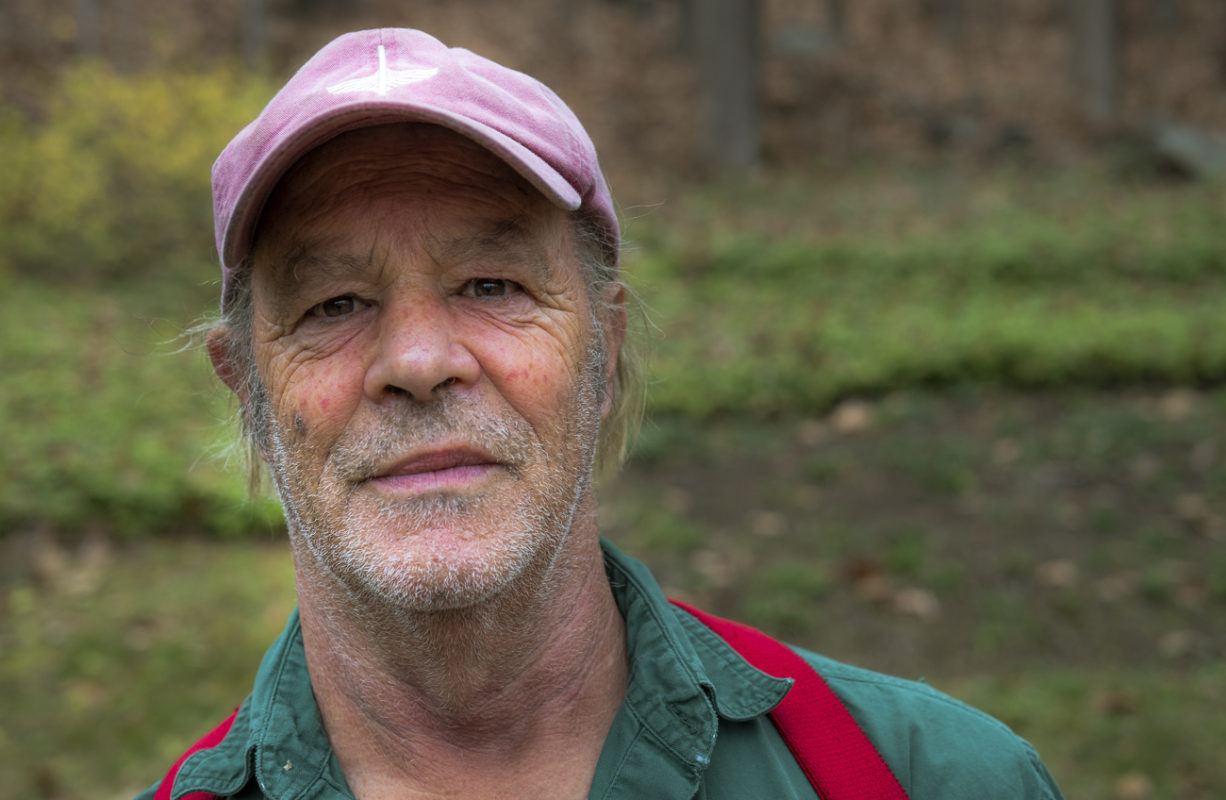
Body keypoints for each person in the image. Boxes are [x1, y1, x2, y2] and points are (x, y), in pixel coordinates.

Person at [142, 28, 1064, 800]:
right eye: (334, 304)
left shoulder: (931, 779)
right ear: (247, 389)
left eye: (491, 285)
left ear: (604, 350)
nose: (419, 363)